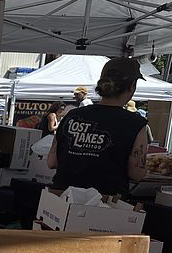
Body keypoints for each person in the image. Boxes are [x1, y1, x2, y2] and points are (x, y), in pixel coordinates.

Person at [48, 57, 148, 196]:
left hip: (60, 196)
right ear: (132, 86)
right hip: (104, 202)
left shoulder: (72, 115)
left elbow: (52, 162)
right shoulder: (135, 123)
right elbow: (136, 173)